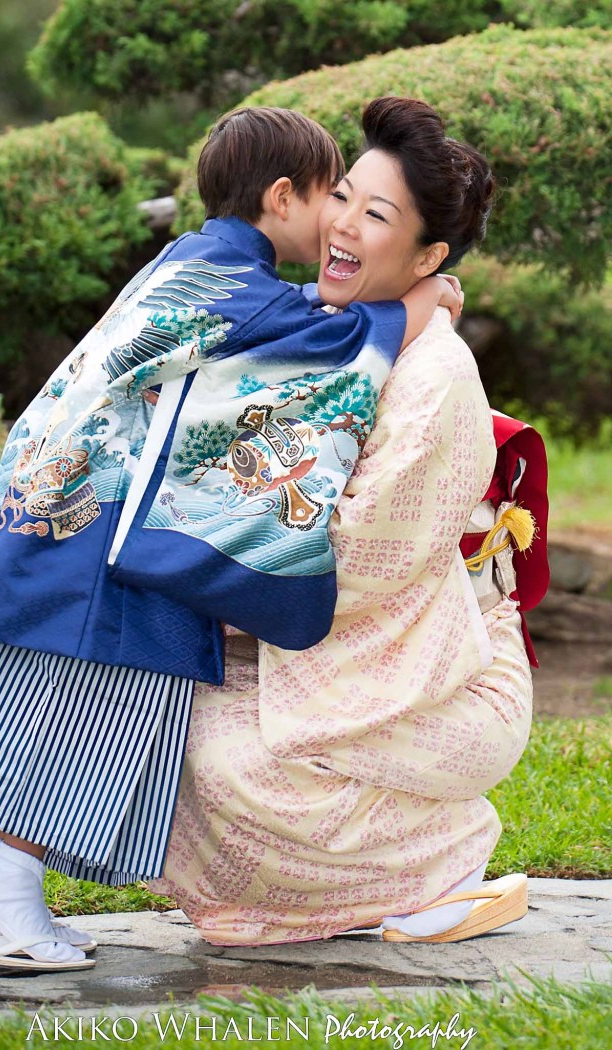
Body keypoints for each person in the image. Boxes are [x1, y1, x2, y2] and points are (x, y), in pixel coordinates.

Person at [0, 106, 459, 972]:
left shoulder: (196, 266)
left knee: (61, 719)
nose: (339, 219)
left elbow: (278, 319)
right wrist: (425, 300)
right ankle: (8, 883)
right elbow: (332, 336)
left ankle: (7, 881)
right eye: (330, 194)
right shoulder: (234, 286)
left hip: (64, 523)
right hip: (102, 551)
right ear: (281, 197)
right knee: (84, 723)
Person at [151, 97, 546, 946]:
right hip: (331, 658)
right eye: (343, 197)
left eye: (376, 214)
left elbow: (362, 561)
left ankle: (445, 861)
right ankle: (356, 888)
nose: (343, 225)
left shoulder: (438, 374)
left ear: (430, 256)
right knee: (160, 725)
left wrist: (202, 558)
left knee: (214, 761)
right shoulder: (322, 322)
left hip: (436, 680)